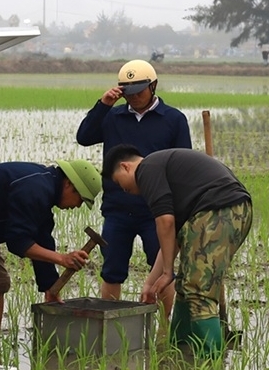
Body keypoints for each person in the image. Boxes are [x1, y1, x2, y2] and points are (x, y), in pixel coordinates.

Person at [102, 144, 253, 358]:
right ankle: (181, 354)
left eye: (120, 183)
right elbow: (172, 240)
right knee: (186, 287)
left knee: (199, 292)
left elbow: (165, 222)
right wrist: (151, 282)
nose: (125, 191)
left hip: (218, 210)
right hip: (233, 210)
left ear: (126, 167)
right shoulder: (167, 172)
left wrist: (167, 273)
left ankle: (211, 369)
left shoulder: (147, 168)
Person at [0, 159, 102, 341]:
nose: (77, 206)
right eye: (80, 200)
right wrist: (62, 258)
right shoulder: (35, 188)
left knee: (0, 283)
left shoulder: (45, 188)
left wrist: (50, 286)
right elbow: (18, 242)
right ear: (70, 184)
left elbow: (42, 238)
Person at [76, 59, 191, 317]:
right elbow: (83, 137)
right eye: (128, 92)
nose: (135, 97)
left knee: (162, 269)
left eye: (139, 91)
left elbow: (183, 163)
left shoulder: (173, 119)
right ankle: (111, 325)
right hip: (117, 208)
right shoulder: (113, 116)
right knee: (112, 269)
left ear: (153, 86)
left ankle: (163, 327)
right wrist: (104, 104)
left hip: (157, 209)